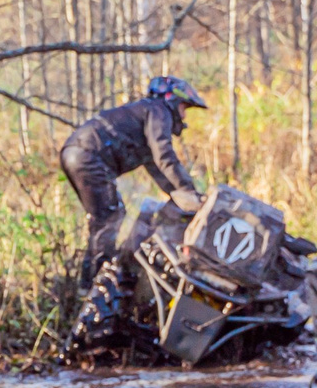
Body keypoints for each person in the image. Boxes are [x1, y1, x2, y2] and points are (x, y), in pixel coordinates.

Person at [58, 76, 209, 274]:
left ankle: (95, 280)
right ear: (172, 100)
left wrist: (182, 197)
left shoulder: (144, 116)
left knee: (107, 217)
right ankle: (94, 286)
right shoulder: (158, 110)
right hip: (88, 154)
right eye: (184, 108)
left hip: (76, 152)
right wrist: (190, 192)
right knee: (109, 220)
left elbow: (158, 168)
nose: (184, 116)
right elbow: (164, 155)